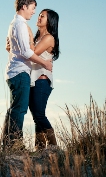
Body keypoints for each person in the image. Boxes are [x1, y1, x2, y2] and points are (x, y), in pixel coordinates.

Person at [2, 0, 53, 149]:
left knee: (14, 109)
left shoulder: (15, 24)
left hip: (16, 71)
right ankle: (15, 144)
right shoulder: (21, 25)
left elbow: (18, 48)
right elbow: (26, 51)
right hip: (20, 72)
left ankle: (8, 143)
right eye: (32, 8)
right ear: (24, 6)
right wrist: (44, 62)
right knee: (20, 109)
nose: (33, 12)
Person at [28, 9, 60, 150]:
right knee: (36, 115)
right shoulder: (36, 39)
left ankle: (53, 147)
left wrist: (27, 34)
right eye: (39, 15)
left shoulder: (49, 38)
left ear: (50, 21)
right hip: (33, 80)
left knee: (39, 114)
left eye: (43, 16)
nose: (39, 17)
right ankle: (39, 148)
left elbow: (32, 52)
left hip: (42, 80)